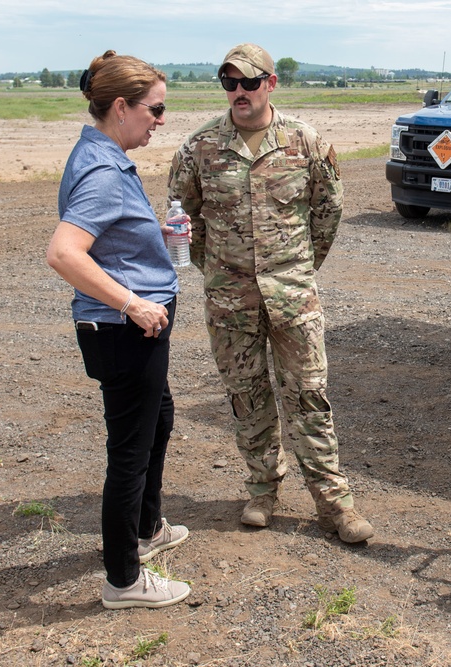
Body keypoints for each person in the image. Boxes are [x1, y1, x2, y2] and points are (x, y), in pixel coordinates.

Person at [167, 43, 373, 543]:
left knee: (309, 395)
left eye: (249, 82)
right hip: (229, 300)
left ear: (270, 84)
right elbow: (183, 220)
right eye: (229, 83)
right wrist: (221, 271)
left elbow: (327, 215)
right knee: (247, 395)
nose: (239, 92)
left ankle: (334, 503)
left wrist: (295, 269)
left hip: (293, 297)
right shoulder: (200, 148)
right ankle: (262, 488)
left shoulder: (306, 142)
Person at [47, 50, 190, 608]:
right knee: (129, 450)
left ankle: (147, 528)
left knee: (159, 421)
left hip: (130, 329)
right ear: (122, 106)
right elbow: (64, 252)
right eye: (155, 110)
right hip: (125, 330)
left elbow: (105, 233)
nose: (160, 121)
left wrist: (147, 230)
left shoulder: (98, 153)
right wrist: (134, 302)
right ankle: (124, 580)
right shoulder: (106, 171)